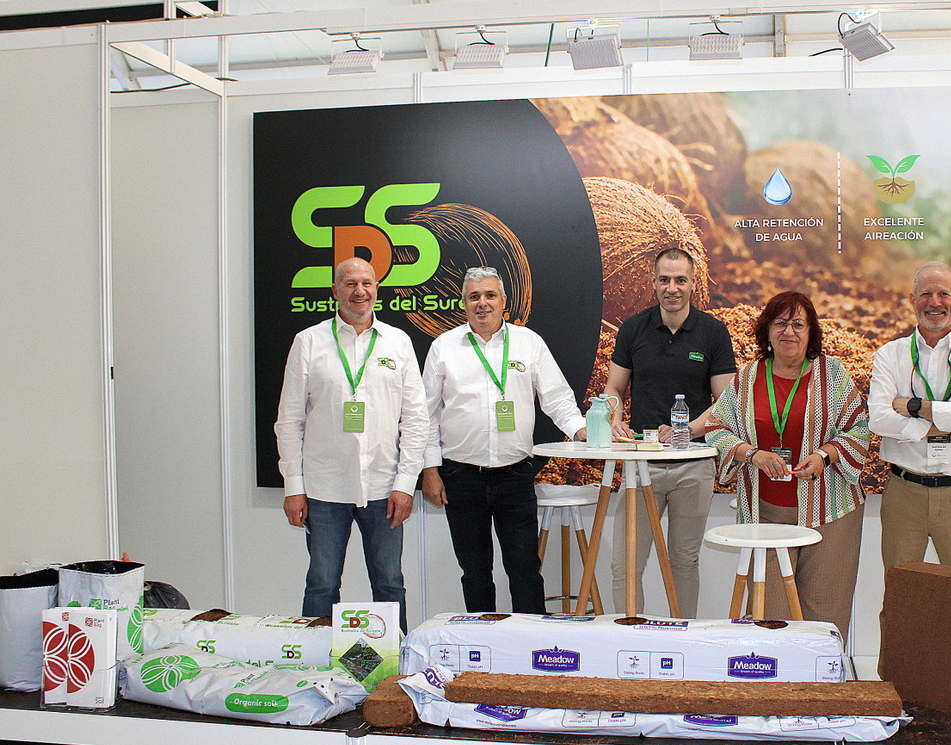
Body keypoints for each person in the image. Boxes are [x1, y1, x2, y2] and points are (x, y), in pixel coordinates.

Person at [421, 267, 587, 614]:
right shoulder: (444, 347)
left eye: (489, 295)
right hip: (461, 476)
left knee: (525, 569)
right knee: (475, 571)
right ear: (464, 303)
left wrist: (580, 429)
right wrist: (430, 470)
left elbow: (556, 398)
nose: (482, 303)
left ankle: (528, 638)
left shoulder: (528, 342)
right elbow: (427, 414)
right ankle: (481, 638)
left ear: (503, 301)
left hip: (515, 475)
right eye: (474, 297)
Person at [704, 291, 870, 639]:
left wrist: (825, 455)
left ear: (811, 333)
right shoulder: (748, 378)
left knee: (825, 610)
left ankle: (823, 671)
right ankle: (778, 674)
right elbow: (716, 428)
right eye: (780, 323)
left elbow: (859, 427)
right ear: (766, 330)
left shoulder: (832, 374)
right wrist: (752, 454)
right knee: (771, 617)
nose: (789, 332)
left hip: (830, 512)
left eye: (798, 324)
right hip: (765, 513)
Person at [275, 257, 428, 634]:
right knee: (322, 584)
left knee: (390, 583)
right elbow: (289, 420)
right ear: (335, 291)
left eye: (366, 283)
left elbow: (416, 419)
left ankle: (397, 659)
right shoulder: (309, 342)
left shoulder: (398, 342)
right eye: (350, 284)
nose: (360, 291)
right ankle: (313, 659)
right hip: (325, 488)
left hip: (384, 488)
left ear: (376, 289)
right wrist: (294, 487)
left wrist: (405, 484)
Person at [602, 248, 736, 616]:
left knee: (683, 560)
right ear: (654, 282)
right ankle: (628, 636)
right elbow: (614, 388)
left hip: (693, 465)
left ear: (693, 283)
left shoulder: (713, 332)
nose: (672, 288)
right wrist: (614, 418)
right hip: (641, 464)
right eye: (664, 280)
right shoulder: (634, 328)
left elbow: (727, 401)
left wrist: (686, 430)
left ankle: (682, 637)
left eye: (680, 280)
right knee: (625, 562)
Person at [868, 260, 951, 574]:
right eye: (926, 294)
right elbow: (879, 420)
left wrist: (915, 407)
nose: (934, 302)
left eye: (943, 294)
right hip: (904, 493)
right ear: (913, 300)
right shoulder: (890, 355)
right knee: (901, 592)